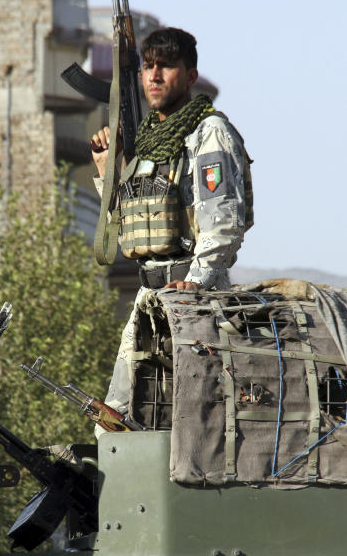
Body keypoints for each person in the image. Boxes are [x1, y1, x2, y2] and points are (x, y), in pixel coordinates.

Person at [90, 27, 252, 421]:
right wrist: (107, 171)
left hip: (196, 300)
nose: (155, 76)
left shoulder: (208, 133)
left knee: (194, 418)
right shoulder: (147, 144)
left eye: (166, 66)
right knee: (116, 417)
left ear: (190, 76)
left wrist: (196, 283)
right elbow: (132, 228)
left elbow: (224, 222)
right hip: (149, 301)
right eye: (148, 67)